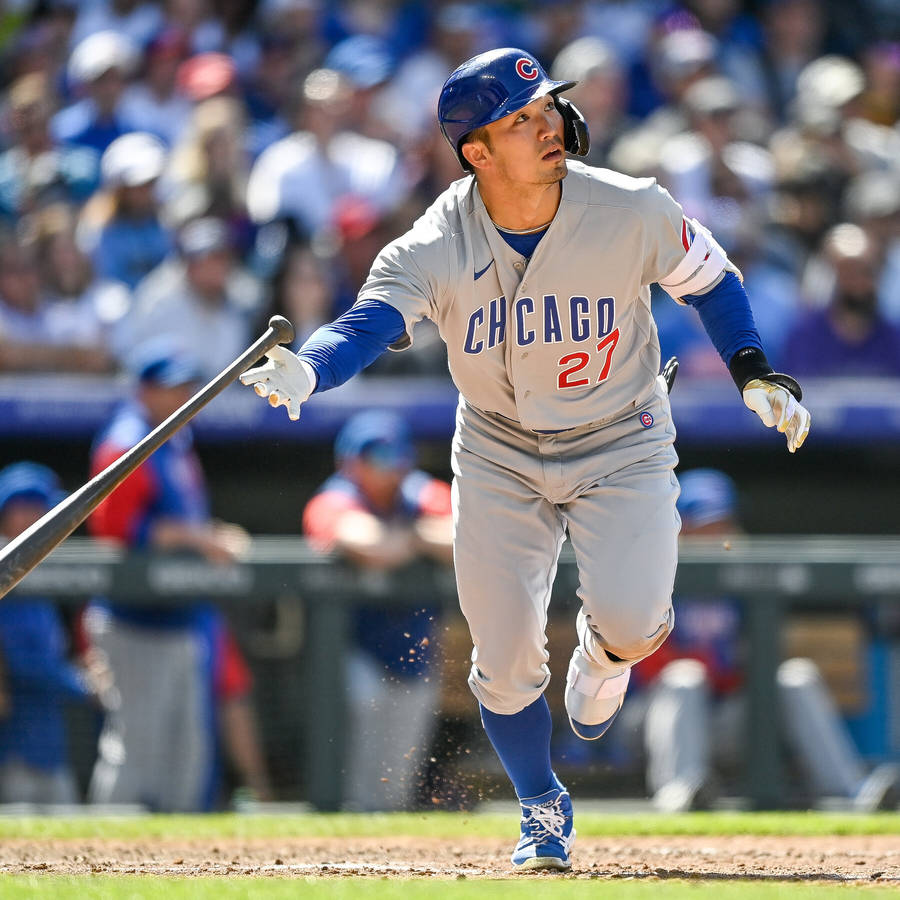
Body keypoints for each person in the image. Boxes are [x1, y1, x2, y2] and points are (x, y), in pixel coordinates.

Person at [240, 48, 811, 871]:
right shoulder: (437, 237)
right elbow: (369, 320)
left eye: (548, 107)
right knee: (502, 657)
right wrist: (310, 368)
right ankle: (542, 805)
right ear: (476, 151)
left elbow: (713, 280)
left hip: (622, 435)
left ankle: (604, 656)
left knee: (636, 625)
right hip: (500, 448)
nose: (549, 124)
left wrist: (754, 371)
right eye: (521, 118)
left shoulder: (628, 206)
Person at [634, 468, 900, 812]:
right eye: (701, 525)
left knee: (796, 677)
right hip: (657, 718)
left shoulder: (743, 580)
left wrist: (734, 670)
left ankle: (851, 792)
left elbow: (759, 658)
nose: (713, 534)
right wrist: (713, 668)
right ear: (678, 526)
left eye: (719, 524)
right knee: (685, 678)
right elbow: (643, 663)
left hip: (731, 717)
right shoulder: (650, 575)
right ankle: (678, 792)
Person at [84, 340, 250, 811]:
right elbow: (114, 530)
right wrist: (197, 539)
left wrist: (208, 534)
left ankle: (178, 868)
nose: (183, 395)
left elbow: (177, 518)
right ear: (145, 390)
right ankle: (100, 859)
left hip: (181, 618)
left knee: (187, 753)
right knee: (138, 750)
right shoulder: (126, 438)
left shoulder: (175, 438)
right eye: (171, 387)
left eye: (186, 385)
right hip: (134, 619)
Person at [302, 410, 452, 810]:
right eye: (372, 459)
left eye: (391, 459)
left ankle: (386, 843)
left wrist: (408, 537)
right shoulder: (335, 496)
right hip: (354, 649)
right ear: (350, 462)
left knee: (399, 770)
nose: (384, 469)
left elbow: (466, 536)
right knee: (358, 767)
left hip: (414, 650)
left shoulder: (420, 493)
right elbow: (369, 546)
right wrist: (417, 539)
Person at [0, 462, 101, 805]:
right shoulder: (6, 570)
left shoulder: (35, 576)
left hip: (46, 744)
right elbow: (21, 664)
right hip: (14, 750)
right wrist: (81, 684)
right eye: (38, 511)